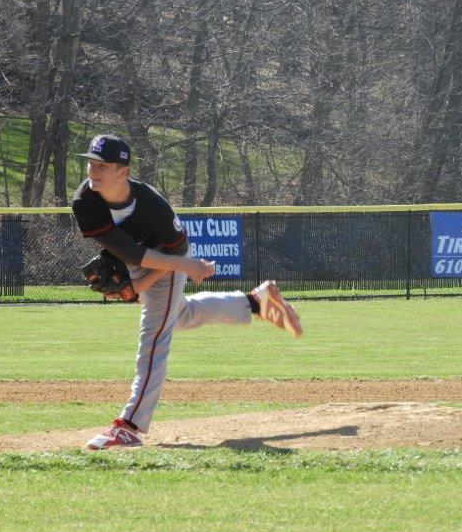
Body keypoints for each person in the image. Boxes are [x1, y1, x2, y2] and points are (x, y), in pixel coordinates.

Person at [71, 134, 303, 450]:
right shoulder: (86, 201)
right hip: (139, 259)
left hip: (169, 260)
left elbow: (173, 258)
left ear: (123, 172)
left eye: (103, 166)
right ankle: (255, 303)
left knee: (154, 336)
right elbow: (126, 251)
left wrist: (150, 280)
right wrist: (135, 282)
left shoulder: (153, 208)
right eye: (91, 163)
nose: (93, 171)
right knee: (179, 315)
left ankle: (130, 425)